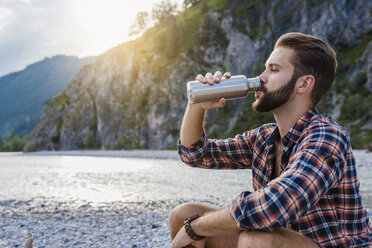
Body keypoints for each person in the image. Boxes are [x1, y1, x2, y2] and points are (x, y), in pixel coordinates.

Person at [169, 32, 372, 248]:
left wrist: (197, 228)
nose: (261, 78)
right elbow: (195, 154)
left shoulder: (327, 136)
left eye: (273, 70)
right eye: (266, 68)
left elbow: (275, 205)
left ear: (303, 84)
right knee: (184, 214)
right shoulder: (264, 138)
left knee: (255, 239)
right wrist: (196, 106)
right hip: (286, 241)